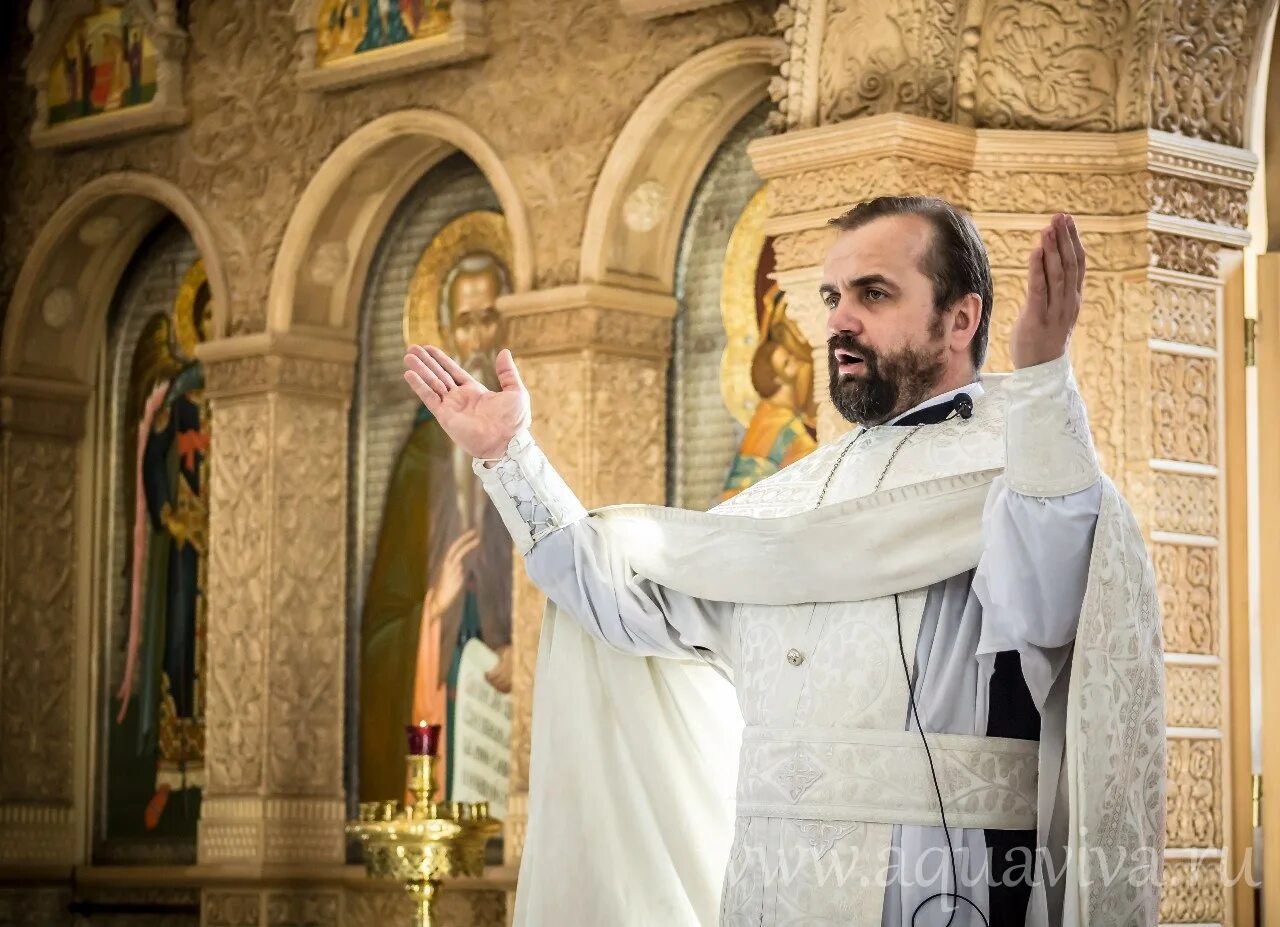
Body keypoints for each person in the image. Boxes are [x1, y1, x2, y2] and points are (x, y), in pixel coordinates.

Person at [402, 198, 1165, 927]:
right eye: (833, 295)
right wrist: (510, 458)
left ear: (960, 317)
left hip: (940, 884)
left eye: (872, 292)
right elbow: (623, 602)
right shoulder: (798, 493)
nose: (837, 318)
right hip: (769, 887)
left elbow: (1050, 602)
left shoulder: (1022, 475)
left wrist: (1039, 382)